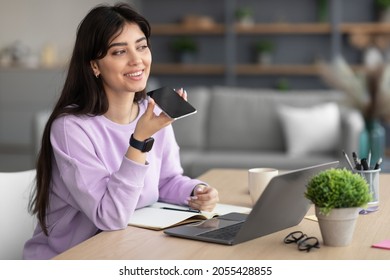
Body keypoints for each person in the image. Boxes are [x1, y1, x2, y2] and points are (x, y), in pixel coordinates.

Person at [23, 3, 219, 260]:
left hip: (127, 248)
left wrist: (197, 191)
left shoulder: (150, 113)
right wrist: (139, 141)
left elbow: (167, 180)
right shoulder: (71, 128)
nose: (136, 60)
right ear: (94, 66)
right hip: (70, 260)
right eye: (119, 52)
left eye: (141, 46)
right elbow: (110, 216)